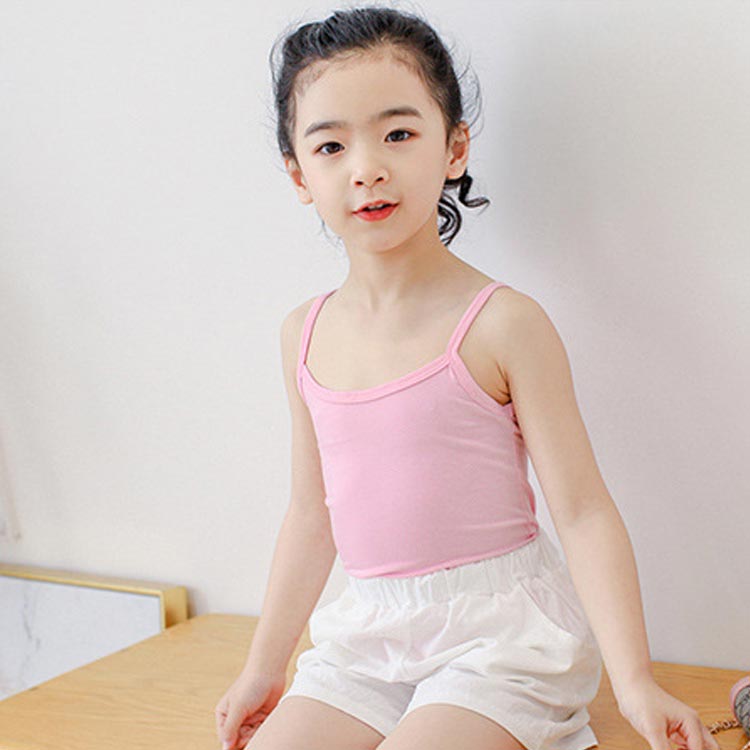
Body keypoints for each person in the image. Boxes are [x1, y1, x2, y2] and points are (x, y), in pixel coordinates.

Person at [215, 5, 720, 750]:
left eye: (398, 134)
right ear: (299, 174)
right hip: (368, 639)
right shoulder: (303, 333)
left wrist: (635, 681)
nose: (366, 168)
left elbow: (582, 512)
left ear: (454, 147)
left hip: (500, 640)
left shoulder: (503, 324)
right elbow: (311, 515)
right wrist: (264, 666)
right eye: (331, 145)